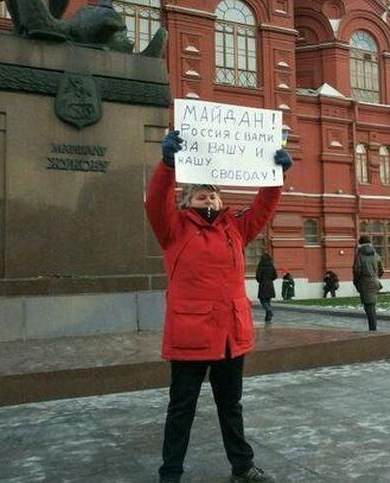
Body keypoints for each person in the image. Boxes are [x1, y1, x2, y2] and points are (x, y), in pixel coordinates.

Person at [146, 130, 292, 483]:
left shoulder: (235, 227)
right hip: (191, 335)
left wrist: (276, 177)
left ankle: (242, 468)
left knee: (231, 406)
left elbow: (263, 208)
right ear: (187, 201)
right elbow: (155, 202)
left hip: (229, 334)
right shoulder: (173, 228)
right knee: (181, 409)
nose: (208, 198)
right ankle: (170, 474)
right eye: (200, 194)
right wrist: (167, 165)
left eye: (212, 194)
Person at [353, 235, 384, 331]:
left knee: (369, 307)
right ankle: (373, 328)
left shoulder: (359, 255)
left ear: (360, 243)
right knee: (371, 305)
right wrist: (376, 277)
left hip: (365, 282)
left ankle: (373, 329)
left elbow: (357, 270)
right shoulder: (375, 254)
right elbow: (381, 269)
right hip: (374, 281)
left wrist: (356, 281)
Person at [256, 253, 277, 322]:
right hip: (270, 285)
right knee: (268, 301)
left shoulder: (260, 265)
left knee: (262, 301)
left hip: (263, 285)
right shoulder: (271, 265)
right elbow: (275, 276)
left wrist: (261, 281)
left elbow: (258, 276)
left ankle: (269, 311)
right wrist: (270, 280)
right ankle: (268, 317)